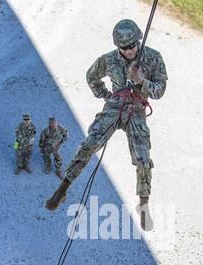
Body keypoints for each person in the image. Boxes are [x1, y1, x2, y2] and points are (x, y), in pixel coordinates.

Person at [45, 19, 167, 230]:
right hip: (116, 104)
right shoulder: (109, 60)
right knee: (90, 144)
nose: (129, 51)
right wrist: (105, 95)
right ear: (117, 46)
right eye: (124, 48)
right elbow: (91, 76)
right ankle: (63, 187)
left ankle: (144, 204)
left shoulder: (153, 57)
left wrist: (141, 81)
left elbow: (160, 90)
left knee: (143, 158)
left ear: (138, 41)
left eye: (132, 46)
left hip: (136, 108)